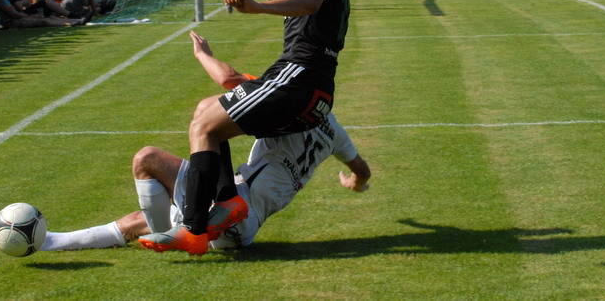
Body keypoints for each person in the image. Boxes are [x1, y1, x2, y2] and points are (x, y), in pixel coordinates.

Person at [41, 31, 370, 253]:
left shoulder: (288, 106)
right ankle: (51, 242)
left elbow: (231, 80)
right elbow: (362, 170)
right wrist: (354, 182)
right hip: (244, 227)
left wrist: (202, 54)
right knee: (137, 219)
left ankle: (176, 236)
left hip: (234, 213)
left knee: (148, 158)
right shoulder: (334, 132)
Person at [154, 0, 350, 256]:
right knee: (207, 111)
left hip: (298, 80)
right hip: (314, 90)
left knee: (202, 127)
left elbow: (311, 0)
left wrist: (258, 7)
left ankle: (192, 229)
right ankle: (227, 201)